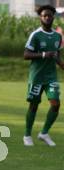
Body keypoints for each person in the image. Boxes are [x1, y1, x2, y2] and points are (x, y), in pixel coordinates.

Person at [23, 5, 62, 146]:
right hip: (37, 76)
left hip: (51, 77)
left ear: (53, 17)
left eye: (49, 15)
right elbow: (26, 55)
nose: (47, 17)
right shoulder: (36, 35)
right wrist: (44, 54)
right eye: (44, 15)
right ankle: (27, 135)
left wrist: (62, 65)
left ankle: (44, 133)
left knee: (56, 104)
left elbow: (57, 56)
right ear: (40, 18)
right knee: (34, 106)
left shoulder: (58, 36)